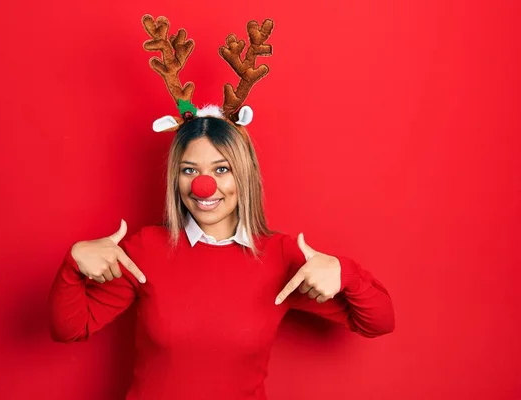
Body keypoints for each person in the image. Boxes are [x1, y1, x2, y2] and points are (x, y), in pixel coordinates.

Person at [48, 15, 395, 400]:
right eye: (189, 170)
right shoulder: (144, 250)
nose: (203, 185)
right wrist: (74, 262)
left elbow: (378, 321)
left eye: (221, 168)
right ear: (175, 179)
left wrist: (344, 273)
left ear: (243, 175)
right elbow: (70, 328)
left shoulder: (282, 257)